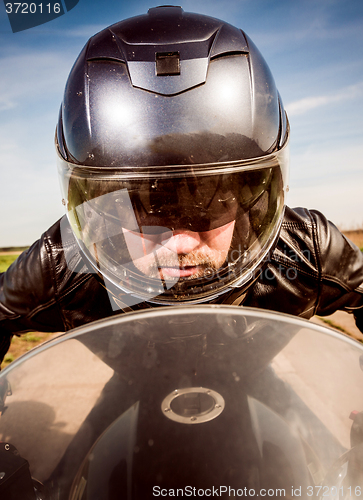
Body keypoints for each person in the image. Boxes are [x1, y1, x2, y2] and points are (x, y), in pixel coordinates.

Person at [1, 6, 363, 365]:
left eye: (212, 204)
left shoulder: (304, 250)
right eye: (144, 209)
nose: (181, 242)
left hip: (259, 390)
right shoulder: (65, 264)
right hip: (132, 391)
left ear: (257, 198)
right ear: (101, 208)